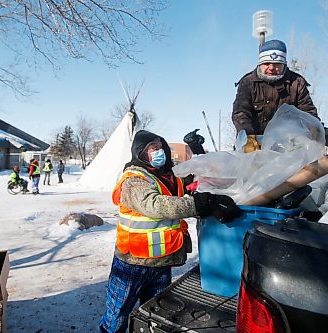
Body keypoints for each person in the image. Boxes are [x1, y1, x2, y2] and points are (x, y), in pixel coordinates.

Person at [99, 130, 242, 333]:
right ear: (141, 152)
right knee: (117, 314)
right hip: (132, 264)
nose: (159, 151)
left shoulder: (167, 176)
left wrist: (197, 151)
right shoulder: (134, 179)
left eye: (160, 146)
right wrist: (200, 204)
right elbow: (154, 204)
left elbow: (193, 177)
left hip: (161, 261)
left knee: (154, 315)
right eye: (152, 148)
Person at [232, 39, 328, 152]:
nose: (271, 68)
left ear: (284, 64)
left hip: (286, 148)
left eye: (277, 64)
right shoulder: (248, 82)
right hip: (253, 146)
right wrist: (248, 136)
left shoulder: (296, 83)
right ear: (260, 63)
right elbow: (240, 113)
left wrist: (319, 131)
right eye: (267, 63)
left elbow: (308, 114)